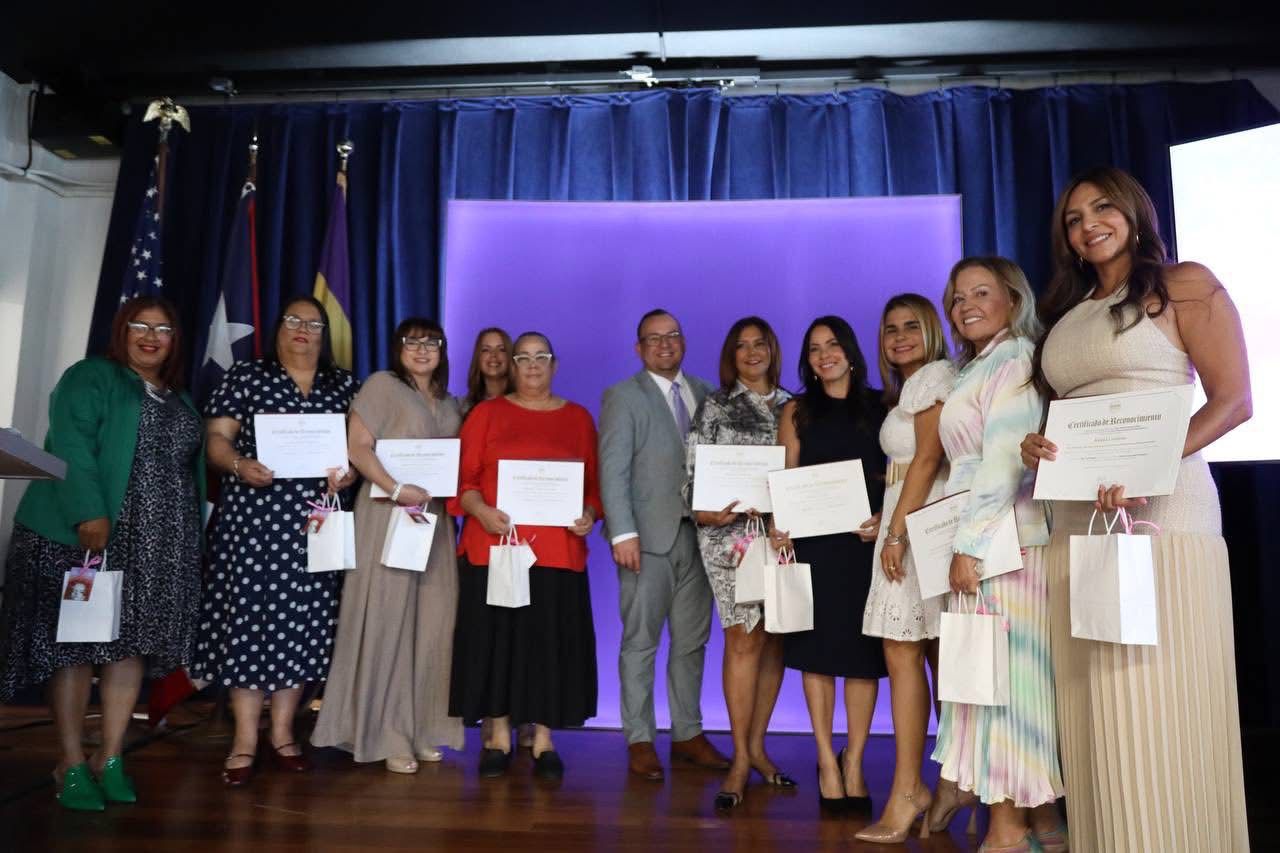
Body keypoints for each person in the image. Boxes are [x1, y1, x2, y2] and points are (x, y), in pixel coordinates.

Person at [1022, 167, 1251, 852]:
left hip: (1162, 517)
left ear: (1133, 211)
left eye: (1101, 207)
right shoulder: (1069, 309)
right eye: (1072, 217)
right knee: (1094, 709)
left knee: (1160, 698)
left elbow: (1234, 400)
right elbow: (1073, 416)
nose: (1087, 223)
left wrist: (1149, 465)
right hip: (1078, 522)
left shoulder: (1185, 282)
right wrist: (1043, 445)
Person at [0, 296, 205, 810]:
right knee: (74, 650)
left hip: (157, 549)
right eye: (140, 325)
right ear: (121, 331)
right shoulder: (91, 377)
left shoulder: (178, 397)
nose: (151, 336)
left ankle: (109, 757)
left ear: (175, 340)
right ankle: (70, 761)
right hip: (86, 537)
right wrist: (89, 513)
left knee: (127, 648)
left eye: (163, 329)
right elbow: (72, 443)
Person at [192, 296, 359, 786]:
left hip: (317, 525)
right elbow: (216, 440)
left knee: (303, 626)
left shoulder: (342, 385)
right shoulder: (247, 377)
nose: (303, 329)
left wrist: (347, 474)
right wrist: (239, 465)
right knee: (248, 622)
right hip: (253, 523)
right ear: (278, 328)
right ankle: (245, 737)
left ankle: (283, 733)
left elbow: (359, 450)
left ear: (324, 333)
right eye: (293, 320)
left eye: (313, 322)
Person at [927, 258, 1063, 853]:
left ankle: (1008, 831)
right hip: (992, 537)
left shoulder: (1015, 359)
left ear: (1013, 297)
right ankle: (1042, 824)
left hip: (1000, 543)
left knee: (1000, 687)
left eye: (981, 293)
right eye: (957, 298)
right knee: (1000, 683)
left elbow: (1004, 462)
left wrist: (968, 547)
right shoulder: (978, 365)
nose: (966, 306)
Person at [311, 318, 465, 773]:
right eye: (412, 342)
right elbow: (358, 447)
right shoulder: (381, 386)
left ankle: (421, 728)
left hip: (433, 521)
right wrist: (398, 490)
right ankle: (385, 734)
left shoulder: (449, 401)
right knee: (387, 620)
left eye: (431, 342)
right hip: (388, 512)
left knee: (433, 625)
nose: (422, 350)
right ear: (397, 348)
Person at [448, 331, 601, 780]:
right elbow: (465, 482)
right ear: (511, 367)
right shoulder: (486, 414)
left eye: (542, 357)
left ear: (554, 365)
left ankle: (545, 738)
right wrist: (481, 511)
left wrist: (589, 515)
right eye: (523, 358)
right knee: (498, 642)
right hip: (497, 547)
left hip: (557, 552)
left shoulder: (578, 418)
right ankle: (497, 735)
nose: (533, 365)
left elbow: (592, 487)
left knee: (548, 645)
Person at [599, 309, 730, 781]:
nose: (664, 344)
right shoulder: (622, 397)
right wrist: (622, 533)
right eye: (653, 339)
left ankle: (688, 734)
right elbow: (611, 470)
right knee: (640, 643)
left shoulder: (705, 393)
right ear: (639, 348)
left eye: (673, 335)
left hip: (701, 536)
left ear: (684, 341)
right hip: (646, 540)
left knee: (692, 642)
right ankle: (639, 738)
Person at [772, 315, 887, 814]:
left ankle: (855, 760)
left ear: (851, 350)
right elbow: (785, 475)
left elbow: (897, 475)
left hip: (865, 548)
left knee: (862, 659)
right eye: (814, 348)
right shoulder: (796, 410)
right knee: (817, 655)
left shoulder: (882, 406)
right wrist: (781, 524)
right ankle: (824, 758)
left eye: (833, 344)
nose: (824, 355)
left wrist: (885, 519)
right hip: (814, 549)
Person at [856, 295, 956, 842]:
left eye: (911, 326)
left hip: (919, 529)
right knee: (930, 654)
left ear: (933, 331)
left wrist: (897, 531)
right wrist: (884, 516)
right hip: (909, 519)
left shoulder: (934, 378)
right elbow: (908, 469)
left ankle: (910, 789)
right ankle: (946, 781)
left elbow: (926, 461)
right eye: (889, 328)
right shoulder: (911, 389)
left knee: (905, 651)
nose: (898, 337)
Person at [685, 317, 793, 811]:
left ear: (773, 348)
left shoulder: (797, 404)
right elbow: (692, 471)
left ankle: (757, 748)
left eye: (759, 343)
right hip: (729, 536)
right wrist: (699, 508)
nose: (751, 352)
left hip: (785, 534)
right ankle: (739, 759)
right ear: (732, 354)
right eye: (741, 345)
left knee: (773, 640)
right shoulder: (716, 405)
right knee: (742, 638)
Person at [462, 327, 514, 415]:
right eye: (486, 350)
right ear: (478, 358)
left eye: (501, 349)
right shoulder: (464, 407)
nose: (493, 355)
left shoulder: (523, 404)